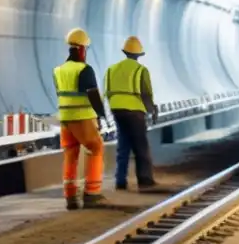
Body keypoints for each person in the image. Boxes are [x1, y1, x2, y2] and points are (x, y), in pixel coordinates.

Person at [54, 28, 108, 210]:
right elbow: (93, 95)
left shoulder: (58, 71)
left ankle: (70, 197)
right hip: (82, 118)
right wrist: (101, 116)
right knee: (96, 147)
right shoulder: (85, 69)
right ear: (82, 49)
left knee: (71, 154)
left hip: (65, 120)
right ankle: (92, 193)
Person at [105, 35, 161, 192]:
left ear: (125, 52)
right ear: (138, 55)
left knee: (123, 146)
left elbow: (108, 91)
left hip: (117, 110)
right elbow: (146, 93)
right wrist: (152, 110)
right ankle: (145, 179)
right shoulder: (141, 70)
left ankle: (120, 181)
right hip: (135, 111)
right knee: (140, 146)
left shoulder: (112, 69)